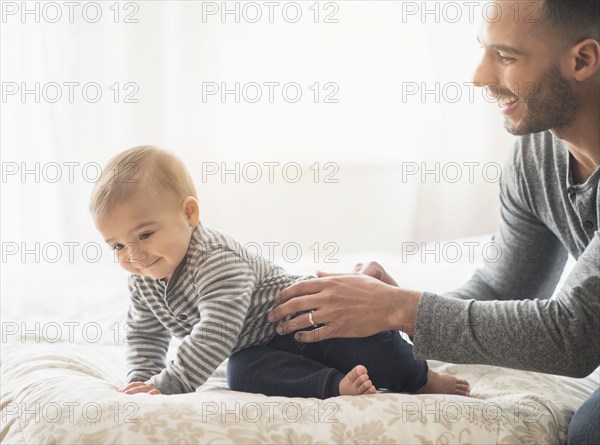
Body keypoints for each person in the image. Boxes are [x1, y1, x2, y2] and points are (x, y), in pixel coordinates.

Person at [267, 0, 599, 443]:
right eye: (484, 52)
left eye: (505, 57)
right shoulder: (536, 153)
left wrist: (398, 308)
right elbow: (503, 290)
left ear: (582, 60)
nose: (479, 77)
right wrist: (391, 307)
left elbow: (571, 338)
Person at [88, 146, 470, 399]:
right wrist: (140, 380)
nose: (133, 255)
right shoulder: (143, 279)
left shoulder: (215, 259)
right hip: (256, 346)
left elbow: (215, 332)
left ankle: (422, 378)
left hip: (307, 319)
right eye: (117, 246)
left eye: (145, 234)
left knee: (367, 345)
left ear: (189, 214)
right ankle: (335, 386)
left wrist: (168, 385)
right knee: (243, 375)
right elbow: (144, 331)